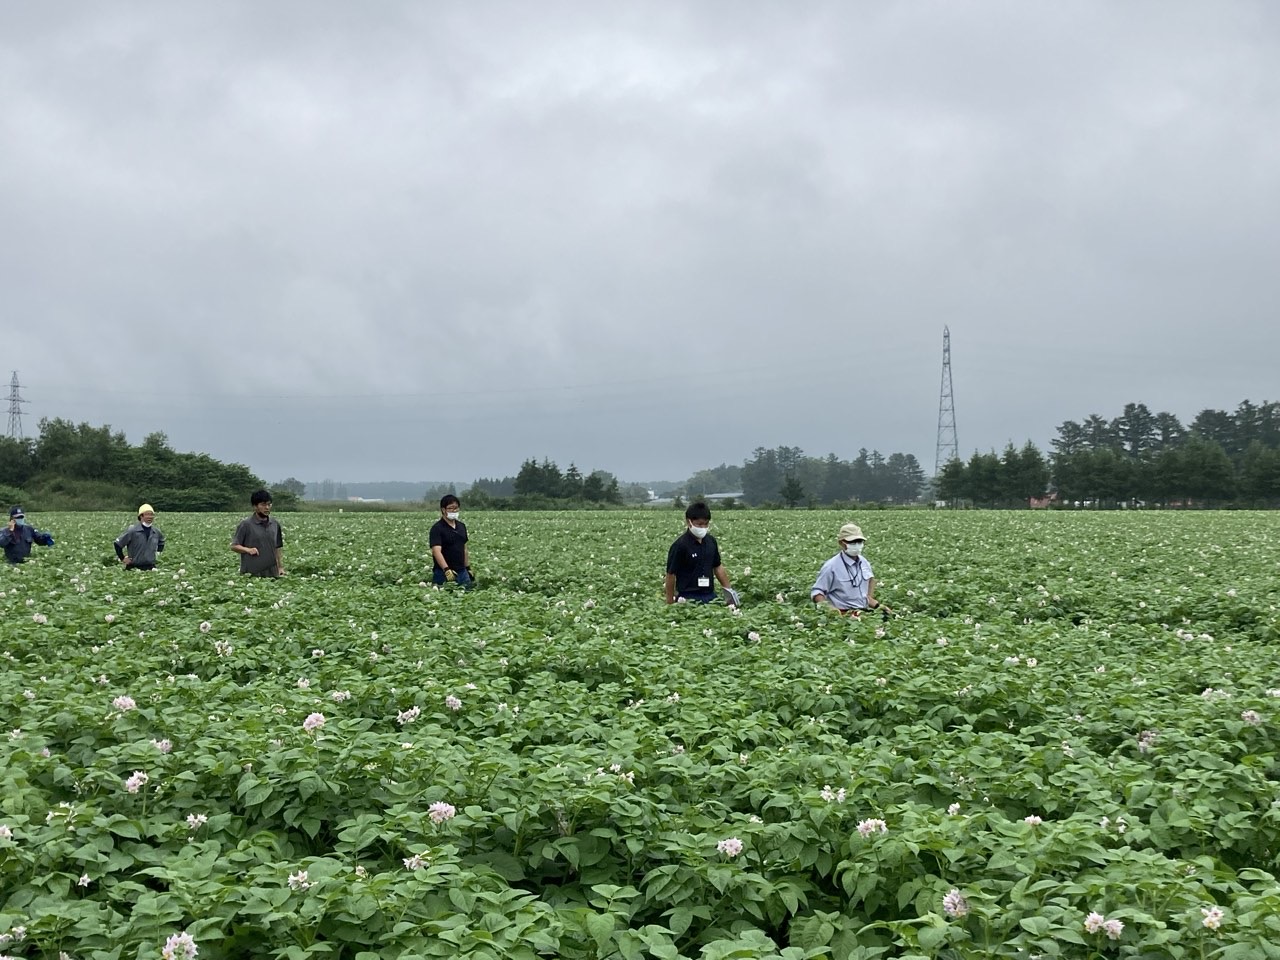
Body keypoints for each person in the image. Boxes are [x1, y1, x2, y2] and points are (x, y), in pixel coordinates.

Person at [810, 522, 891, 615]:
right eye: (852, 542)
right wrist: (831, 611)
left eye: (859, 541)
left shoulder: (864, 563)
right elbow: (817, 593)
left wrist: (879, 606)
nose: (856, 545)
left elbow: (865, 595)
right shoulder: (831, 566)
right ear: (841, 543)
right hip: (843, 615)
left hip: (863, 613)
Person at [665, 501, 734, 604]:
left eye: (706, 524)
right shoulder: (680, 545)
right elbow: (671, 574)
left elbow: (718, 567)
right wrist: (669, 602)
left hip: (710, 595)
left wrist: (730, 594)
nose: (703, 528)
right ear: (689, 522)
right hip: (687, 597)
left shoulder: (711, 542)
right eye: (699, 524)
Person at [231, 489, 285, 577]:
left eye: (269, 504)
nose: (267, 507)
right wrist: (248, 550)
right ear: (255, 506)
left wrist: (280, 567)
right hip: (251, 574)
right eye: (263, 505)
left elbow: (277, 548)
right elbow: (234, 546)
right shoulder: (246, 525)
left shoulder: (275, 524)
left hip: (272, 574)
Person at [430, 494, 472, 586]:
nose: (454, 510)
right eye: (451, 508)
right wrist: (446, 569)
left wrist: (468, 567)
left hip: (462, 572)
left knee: (467, 595)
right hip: (443, 573)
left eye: (456, 508)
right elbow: (436, 551)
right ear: (443, 510)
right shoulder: (437, 528)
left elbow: (464, 549)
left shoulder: (461, 526)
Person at [114, 503, 165, 570]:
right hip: (133, 568)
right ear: (141, 516)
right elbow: (117, 544)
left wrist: (158, 553)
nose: (150, 517)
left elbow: (162, 541)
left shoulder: (156, 531)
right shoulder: (132, 530)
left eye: (151, 515)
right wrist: (122, 558)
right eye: (147, 514)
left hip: (151, 568)